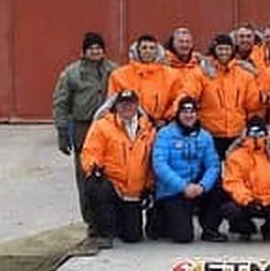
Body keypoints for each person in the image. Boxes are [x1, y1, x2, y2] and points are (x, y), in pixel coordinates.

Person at [52, 31, 118, 236]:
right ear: (84, 51)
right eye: (91, 49)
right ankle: (92, 221)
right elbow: (60, 102)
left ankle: (113, 220)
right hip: (84, 127)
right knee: (86, 177)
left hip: (110, 126)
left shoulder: (114, 70)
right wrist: (62, 131)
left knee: (114, 174)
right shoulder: (72, 73)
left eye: (98, 48)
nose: (95, 52)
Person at [79, 89, 155, 247]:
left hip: (133, 191)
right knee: (96, 187)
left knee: (132, 236)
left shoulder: (148, 128)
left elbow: (150, 160)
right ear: (116, 106)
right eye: (123, 104)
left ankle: (119, 221)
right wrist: (94, 169)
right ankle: (102, 232)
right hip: (111, 184)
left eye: (131, 104)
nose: (127, 107)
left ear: (137, 105)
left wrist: (149, 185)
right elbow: (90, 151)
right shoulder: (102, 126)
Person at [151, 97, 225, 243]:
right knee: (183, 237)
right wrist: (183, 186)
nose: (189, 115)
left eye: (192, 111)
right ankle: (159, 218)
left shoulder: (205, 136)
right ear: (177, 114)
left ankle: (210, 229)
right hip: (173, 188)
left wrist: (203, 186)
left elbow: (213, 165)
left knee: (219, 186)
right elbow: (159, 165)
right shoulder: (165, 134)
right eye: (184, 111)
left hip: (197, 185)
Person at [197, 34, 259, 158]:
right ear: (214, 50)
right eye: (220, 49)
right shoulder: (202, 73)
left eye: (227, 49)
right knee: (213, 170)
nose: (224, 52)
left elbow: (253, 105)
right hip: (210, 134)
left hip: (237, 133)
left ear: (232, 50)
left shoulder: (245, 75)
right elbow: (189, 95)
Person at [109, 34, 178, 124]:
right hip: (129, 124)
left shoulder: (172, 75)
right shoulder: (119, 75)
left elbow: (178, 99)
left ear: (157, 51)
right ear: (138, 51)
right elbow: (112, 103)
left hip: (161, 125)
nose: (148, 51)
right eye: (144, 48)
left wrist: (166, 118)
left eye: (152, 48)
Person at [164, 26, 205, 103]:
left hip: (193, 112)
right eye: (181, 42)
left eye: (187, 42)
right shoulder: (163, 65)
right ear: (173, 43)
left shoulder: (200, 65)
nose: (184, 45)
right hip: (170, 113)